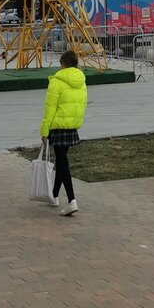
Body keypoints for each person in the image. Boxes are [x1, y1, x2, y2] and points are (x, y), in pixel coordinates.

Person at [40, 49, 88, 216]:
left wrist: (44, 130)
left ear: (63, 64)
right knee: (61, 161)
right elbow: (83, 104)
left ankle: (72, 200)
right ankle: (54, 196)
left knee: (63, 163)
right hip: (72, 126)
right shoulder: (82, 81)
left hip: (58, 126)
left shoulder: (56, 81)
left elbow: (50, 109)